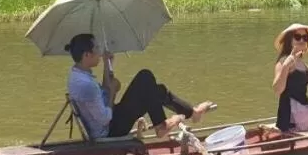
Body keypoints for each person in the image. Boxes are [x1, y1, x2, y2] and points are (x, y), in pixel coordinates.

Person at [66, 32, 213, 139]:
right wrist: (112, 92)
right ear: (87, 55)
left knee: (156, 90)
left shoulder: (78, 74)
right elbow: (105, 118)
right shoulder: (86, 85)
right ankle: (161, 126)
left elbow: (104, 92)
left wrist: (107, 64)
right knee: (145, 76)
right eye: (96, 49)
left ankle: (192, 113)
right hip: (110, 130)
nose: (99, 52)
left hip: (110, 119)